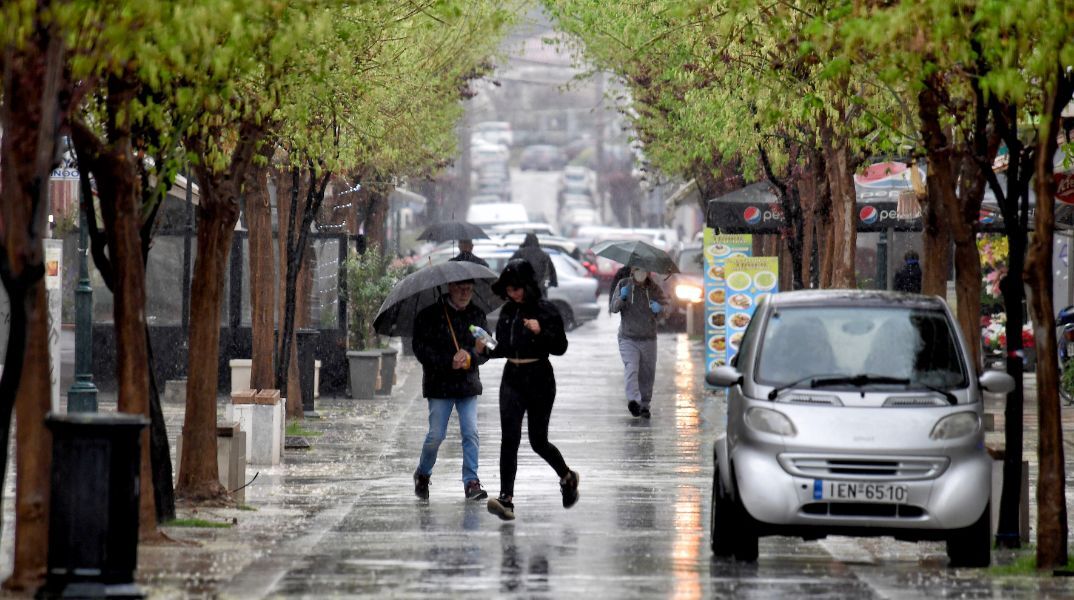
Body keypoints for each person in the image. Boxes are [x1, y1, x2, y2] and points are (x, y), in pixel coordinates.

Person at [483, 259, 578, 521]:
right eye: (509, 290)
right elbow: (502, 347)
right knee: (509, 439)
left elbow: (560, 346)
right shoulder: (507, 312)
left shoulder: (545, 310)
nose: (513, 294)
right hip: (512, 378)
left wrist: (540, 331)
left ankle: (567, 477)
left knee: (538, 441)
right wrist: (484, 348)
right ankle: (506, 499)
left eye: (517, 288)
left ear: (527, 286)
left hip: (539, 378)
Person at [411, 279, 490, 501]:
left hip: (467, 384)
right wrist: (448, 361)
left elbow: (488, 347)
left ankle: (471, 481)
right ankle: (423, 474)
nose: (465, 293)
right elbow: (420, 349)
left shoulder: (477, 315)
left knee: (471, 431)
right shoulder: (429, 316)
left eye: (469, 288)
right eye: (460, 288)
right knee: (436, 435)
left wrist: (469, 356)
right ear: (449, 288)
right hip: (439, 385)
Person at [610, 266, 668, 419]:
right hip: (628, 337)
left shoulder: (654, 288)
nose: (640, 273)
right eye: (637, 269)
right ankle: (634, 401)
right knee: (632, 367)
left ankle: (644, 405)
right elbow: (614, 308)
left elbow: (667, 310)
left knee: (647, 374)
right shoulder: (624, 285)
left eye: (643, 269)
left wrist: (659, 309)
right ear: (632, 271)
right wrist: (622, 298)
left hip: (649, 338)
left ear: (649, 272)